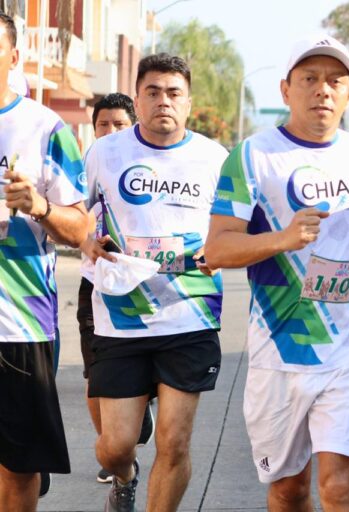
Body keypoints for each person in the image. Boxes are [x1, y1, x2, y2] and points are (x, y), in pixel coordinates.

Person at [204, 34, 349, 511]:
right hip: (280, 348)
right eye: (310, 79)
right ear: (285, 90)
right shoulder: (252, 156)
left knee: (337, 486)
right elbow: (217, 249)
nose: (323, 90)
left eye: (335, 81)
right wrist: (283, 239)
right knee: (289, 491)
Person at [81, 53, 227, 512]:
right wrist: (87, 240)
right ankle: (124, 478)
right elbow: (71, 216)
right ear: (138, 99)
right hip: (121, 315)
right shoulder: (104, 153)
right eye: (153, 92)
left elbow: (237, 229)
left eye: (174, 93)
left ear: (188, 102)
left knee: (175, 442)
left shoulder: (215, 158)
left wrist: (220, 250)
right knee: (116, 445)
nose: (164, 101)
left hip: (191, 314)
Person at [0, 12, 89, 512]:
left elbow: (81, 228)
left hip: (18, 325)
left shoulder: (44, 128)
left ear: (14, 57)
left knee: (18, 466)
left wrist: (38, 205)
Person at [77, 92, 155, 485]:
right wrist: (86, 240)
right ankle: (112, 452)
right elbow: (74, 215)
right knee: (95, 378)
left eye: (119, 125)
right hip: (97, 284)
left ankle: (140, 412)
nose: (109, 132)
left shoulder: (149, 162)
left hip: (149, 286)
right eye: (103, 125)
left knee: (146, 380)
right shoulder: (91, 162)